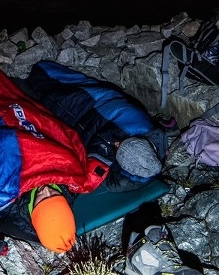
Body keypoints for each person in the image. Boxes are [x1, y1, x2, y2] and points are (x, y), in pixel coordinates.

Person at [0, 54, 109, 254]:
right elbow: (76, 146)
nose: (46, 190)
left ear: (33, 214)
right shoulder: (74, 181)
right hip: (34, 130)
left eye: (42, 200)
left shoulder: (1, 198)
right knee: (22, 106)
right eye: (55, 194)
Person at [23, 60, 167, 191]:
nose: (117, 143)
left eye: (118, 149)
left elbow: (99, 178)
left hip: (77, 130)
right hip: (92, 105)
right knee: (46, 78)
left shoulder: (124, 181)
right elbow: (109, 106)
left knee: (33, 105)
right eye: (122, 142)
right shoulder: (138, 124)